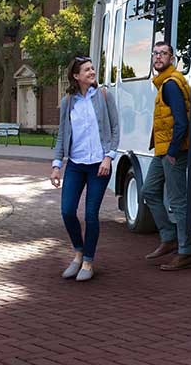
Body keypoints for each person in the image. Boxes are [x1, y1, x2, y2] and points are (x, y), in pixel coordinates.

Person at [50, 56, 120, 281]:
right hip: (76, 165)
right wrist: (56, 165)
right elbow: (62, 134)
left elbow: (116, 128)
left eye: (92, 68)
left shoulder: (104, 95)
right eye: (87, 70)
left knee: (91, 215)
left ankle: (88, 261)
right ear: (76, 76)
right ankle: (78, 253)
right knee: (67, 211)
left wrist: (108, 158)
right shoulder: (68, 101)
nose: (92, 72)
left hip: (99, 166)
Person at [142, 41, 191, 270]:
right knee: (149, 191)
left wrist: (173, 152)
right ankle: (169, 237)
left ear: (171, 58)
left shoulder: (171, 84)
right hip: (162, 150)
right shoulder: (165, 83)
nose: (158, 57)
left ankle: (185, 253)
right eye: (155, 53)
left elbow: (182, 121)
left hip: (173, 151)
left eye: (163, 54)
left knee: (177, 201)